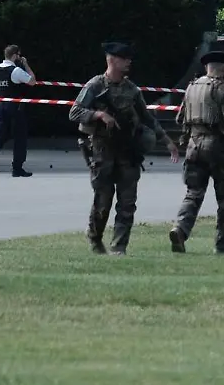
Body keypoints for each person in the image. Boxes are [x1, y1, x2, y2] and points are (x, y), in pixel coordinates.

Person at [69, 42, 180, 256]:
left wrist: (167, 141)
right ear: (111, 60)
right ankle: (94, 237)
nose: (129, 62)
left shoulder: (132, 89)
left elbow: (147, 118)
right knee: (103, 199)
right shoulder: (95, 86)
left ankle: (119, 246)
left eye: (129, 58)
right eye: (124, 58)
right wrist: (98, 115)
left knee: (127, 201)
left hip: (128, 150)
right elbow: (74, 112)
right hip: (102, 149)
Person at [169, 51, 224, 255]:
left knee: (193, 193)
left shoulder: (192, 87)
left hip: (194, 146)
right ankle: (222, 245)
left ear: (206, 67)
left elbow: (179, 118)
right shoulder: (223, 89)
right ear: (223, 69)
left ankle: (180, 229)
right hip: (217, 147)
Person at [0, 45, 36, 177]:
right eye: (19, 56)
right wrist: (26, 65)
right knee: (20, 138)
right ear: (15, 55)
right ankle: (17, 168)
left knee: (0, 136)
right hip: (15, 107)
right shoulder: (15, 71)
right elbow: (32, 81)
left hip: (0, 106)